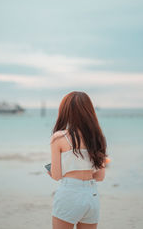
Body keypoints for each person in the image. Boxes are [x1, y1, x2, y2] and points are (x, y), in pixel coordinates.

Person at [47, 91, 108, 229]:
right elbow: (100, 176)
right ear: (89, 111)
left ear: (65, 111)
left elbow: (57, 176)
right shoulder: (98, 138)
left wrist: (52, 171)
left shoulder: (59, 137)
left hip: (70, 193)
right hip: (92, 196)